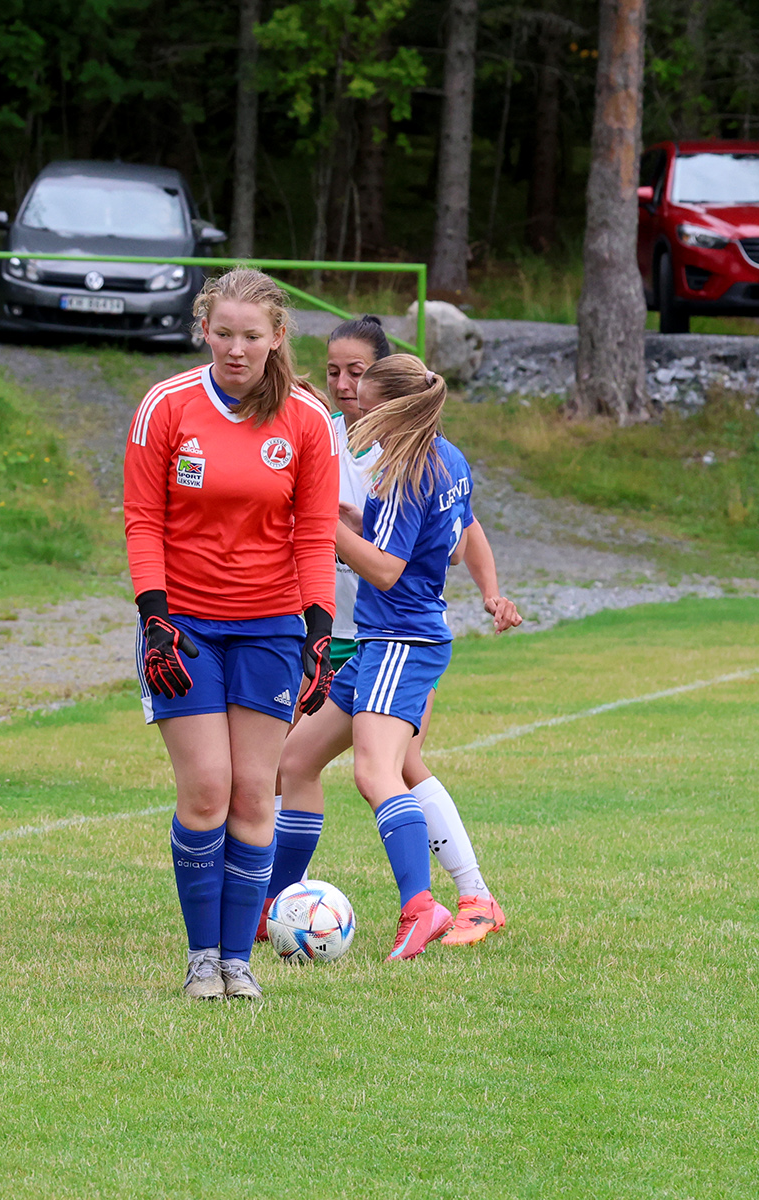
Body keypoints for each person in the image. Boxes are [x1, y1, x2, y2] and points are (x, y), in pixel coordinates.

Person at [264, 320, 522, 949]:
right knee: (296, 760)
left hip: (395, 640)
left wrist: (318, 522)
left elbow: (384, 568)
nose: (352, 399)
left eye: (363, 388)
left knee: (381, 773)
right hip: (391, 638)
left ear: (392, 403)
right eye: (337, 375)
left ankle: (428, 904)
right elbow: (433, 536)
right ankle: (274, 902)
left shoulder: (409, 471)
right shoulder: (444, 456)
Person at [123, 267, 338, 1001]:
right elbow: (142, 521)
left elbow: (314, 536)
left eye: (252, 335)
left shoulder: (307, 420)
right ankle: (200, 960)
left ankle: (238, 963)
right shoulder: (166, 406)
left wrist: (319, 633)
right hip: (183, 627)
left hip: (273, 628)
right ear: (203, 330)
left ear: (279, 337)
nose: (236, 348)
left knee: (254, 794)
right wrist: (155, 620)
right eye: (223, 333)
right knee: (207, 787)